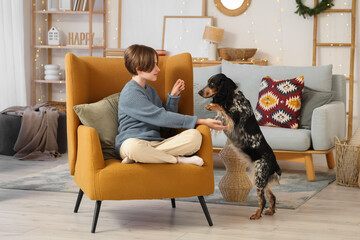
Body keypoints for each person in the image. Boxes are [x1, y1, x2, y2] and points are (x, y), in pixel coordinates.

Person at [115, 44, 227, 166]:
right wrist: (201, 121)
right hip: (131, 143)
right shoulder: (130, 93)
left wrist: (173, 97)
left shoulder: (150, 90)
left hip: (156, 143)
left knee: (195, 136)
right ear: (139, 69)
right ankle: (178, 160)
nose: (158, 69)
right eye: (153, 65)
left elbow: (165, 127)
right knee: (133, 148)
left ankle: (142, 157)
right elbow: (161, 117)